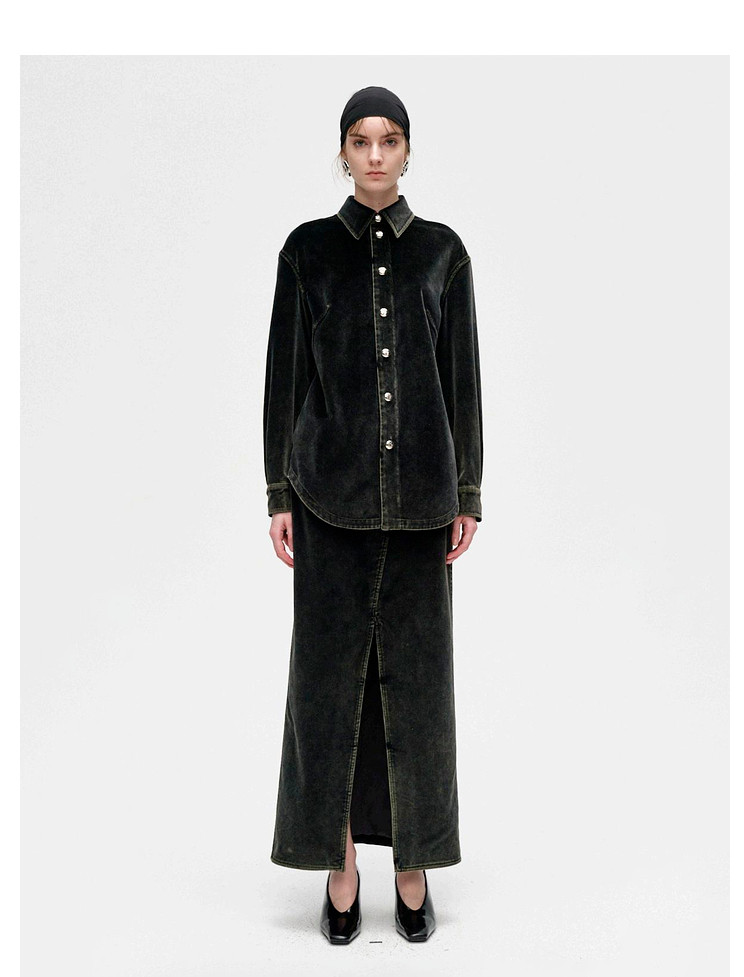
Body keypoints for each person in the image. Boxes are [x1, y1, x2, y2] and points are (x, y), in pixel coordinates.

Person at [263, 85, 484, 944]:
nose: (377, 155)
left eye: (390, 140)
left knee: (420, 692)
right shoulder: (307, 252)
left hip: (424, 505)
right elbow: (285, 380)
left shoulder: (443, 254)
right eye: (361, 141)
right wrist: (280, 494)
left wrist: (467, 493)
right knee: (327, 690)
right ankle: (341, 862)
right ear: (343, 153)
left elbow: (462, 380)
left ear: (408, 150)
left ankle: (414, 866)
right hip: (327, 501)